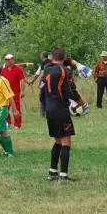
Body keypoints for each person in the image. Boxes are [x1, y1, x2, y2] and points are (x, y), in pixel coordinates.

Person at [44, 46, 86, 182]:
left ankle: (52, 172)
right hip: (60, 109)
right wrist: (82, 103)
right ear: (64, 57)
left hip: (49, 109)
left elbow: (57, 64)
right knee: (66, 142)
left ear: (52, 56)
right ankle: (63, 175)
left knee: (57, 140)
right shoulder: (64, 71)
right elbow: (71, 90)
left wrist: (71, 62)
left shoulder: (47, 69)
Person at [1, 54, 25, 129]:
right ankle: (8, 122)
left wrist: (22, 91)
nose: (7, 61)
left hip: (15, 92)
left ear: (13, 59)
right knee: (5, 109)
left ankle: (17, 124)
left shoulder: (18, 69)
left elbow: (22, 80)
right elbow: (1, 81)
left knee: (17, 109)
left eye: (9, 59)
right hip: (6, 93)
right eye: (6, 60)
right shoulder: (4, 70)